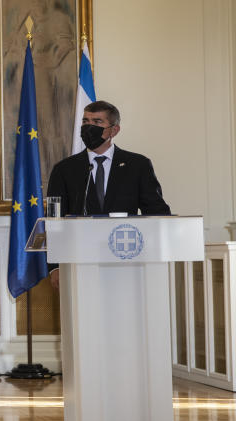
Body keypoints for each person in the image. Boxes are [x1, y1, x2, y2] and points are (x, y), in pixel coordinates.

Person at [46, 99, 170, 287]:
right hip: (79, 261)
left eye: (97, 122)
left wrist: (155, 254)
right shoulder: (65, 169)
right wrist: (54, 266)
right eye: (85, 121)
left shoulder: (137, 165)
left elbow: (157, 212)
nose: (89, 127)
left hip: (128, 261)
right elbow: (54, 220)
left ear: (114, 130)